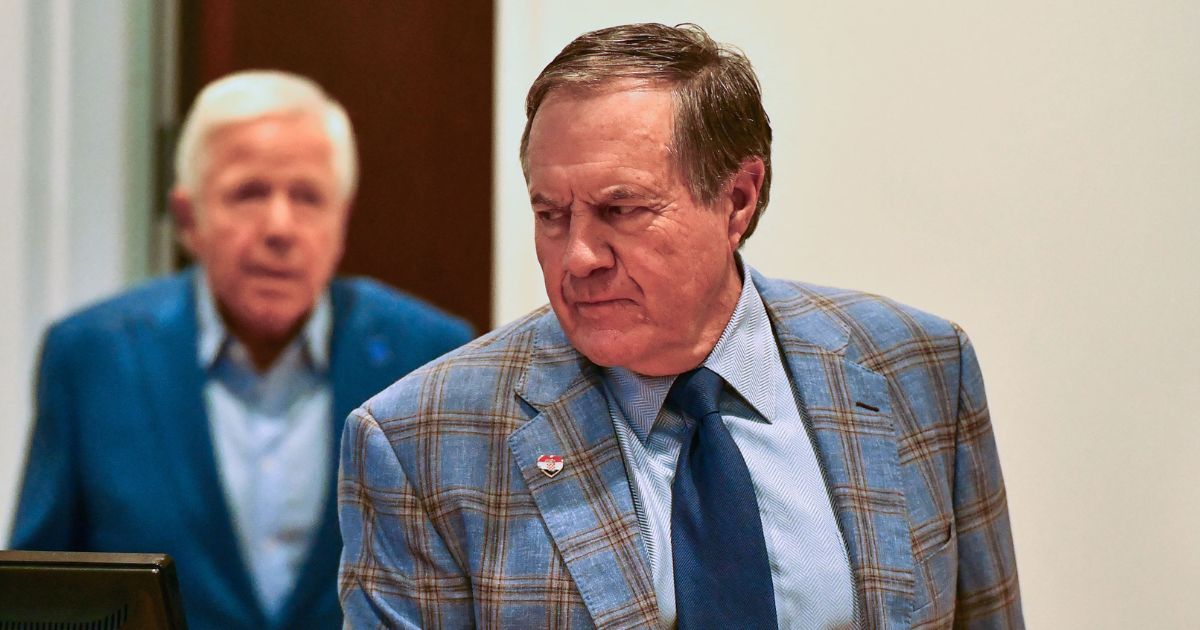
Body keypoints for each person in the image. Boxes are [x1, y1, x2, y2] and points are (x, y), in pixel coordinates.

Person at [339, 23, 1022, 629]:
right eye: (552, 214)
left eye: (621, 210)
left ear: (738, 199)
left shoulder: (919, 367)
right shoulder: (421, 438)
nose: (579, 256)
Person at [10, 70, 474, 630]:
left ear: (341, 220)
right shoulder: (91, 358)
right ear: (189, 219)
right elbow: (35, 602)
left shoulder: (431, 356)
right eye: (248, 193)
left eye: (307, 197)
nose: (280, 227)